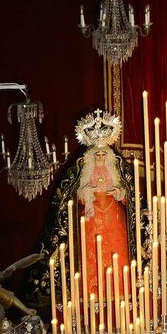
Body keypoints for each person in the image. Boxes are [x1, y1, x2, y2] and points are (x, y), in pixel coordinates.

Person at [72, 108, 131, 293]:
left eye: (103, 154)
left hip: (113, 215)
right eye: (97, 155)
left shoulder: (115, 170)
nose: (100, 157)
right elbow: (77, 195)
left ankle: (118, 289)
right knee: (93, 253)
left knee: (115, 250)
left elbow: (127, 192)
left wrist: (118, 191)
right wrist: (87, 193)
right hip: (92, 217)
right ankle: (94, 291)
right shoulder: (85, 172)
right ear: (91, 156)